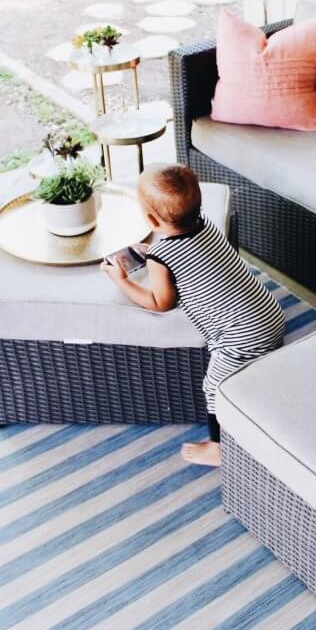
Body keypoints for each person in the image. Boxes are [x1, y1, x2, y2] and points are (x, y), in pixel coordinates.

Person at [101, 165, 285, 467]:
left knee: (213, 385)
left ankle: (220, 447)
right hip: (267, 312)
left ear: (151, 220)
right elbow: (188, 254)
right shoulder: (206, 225)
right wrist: (152, 253)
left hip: (243, 335)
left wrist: (122, 280)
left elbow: (161, 302)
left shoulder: (162, 256)